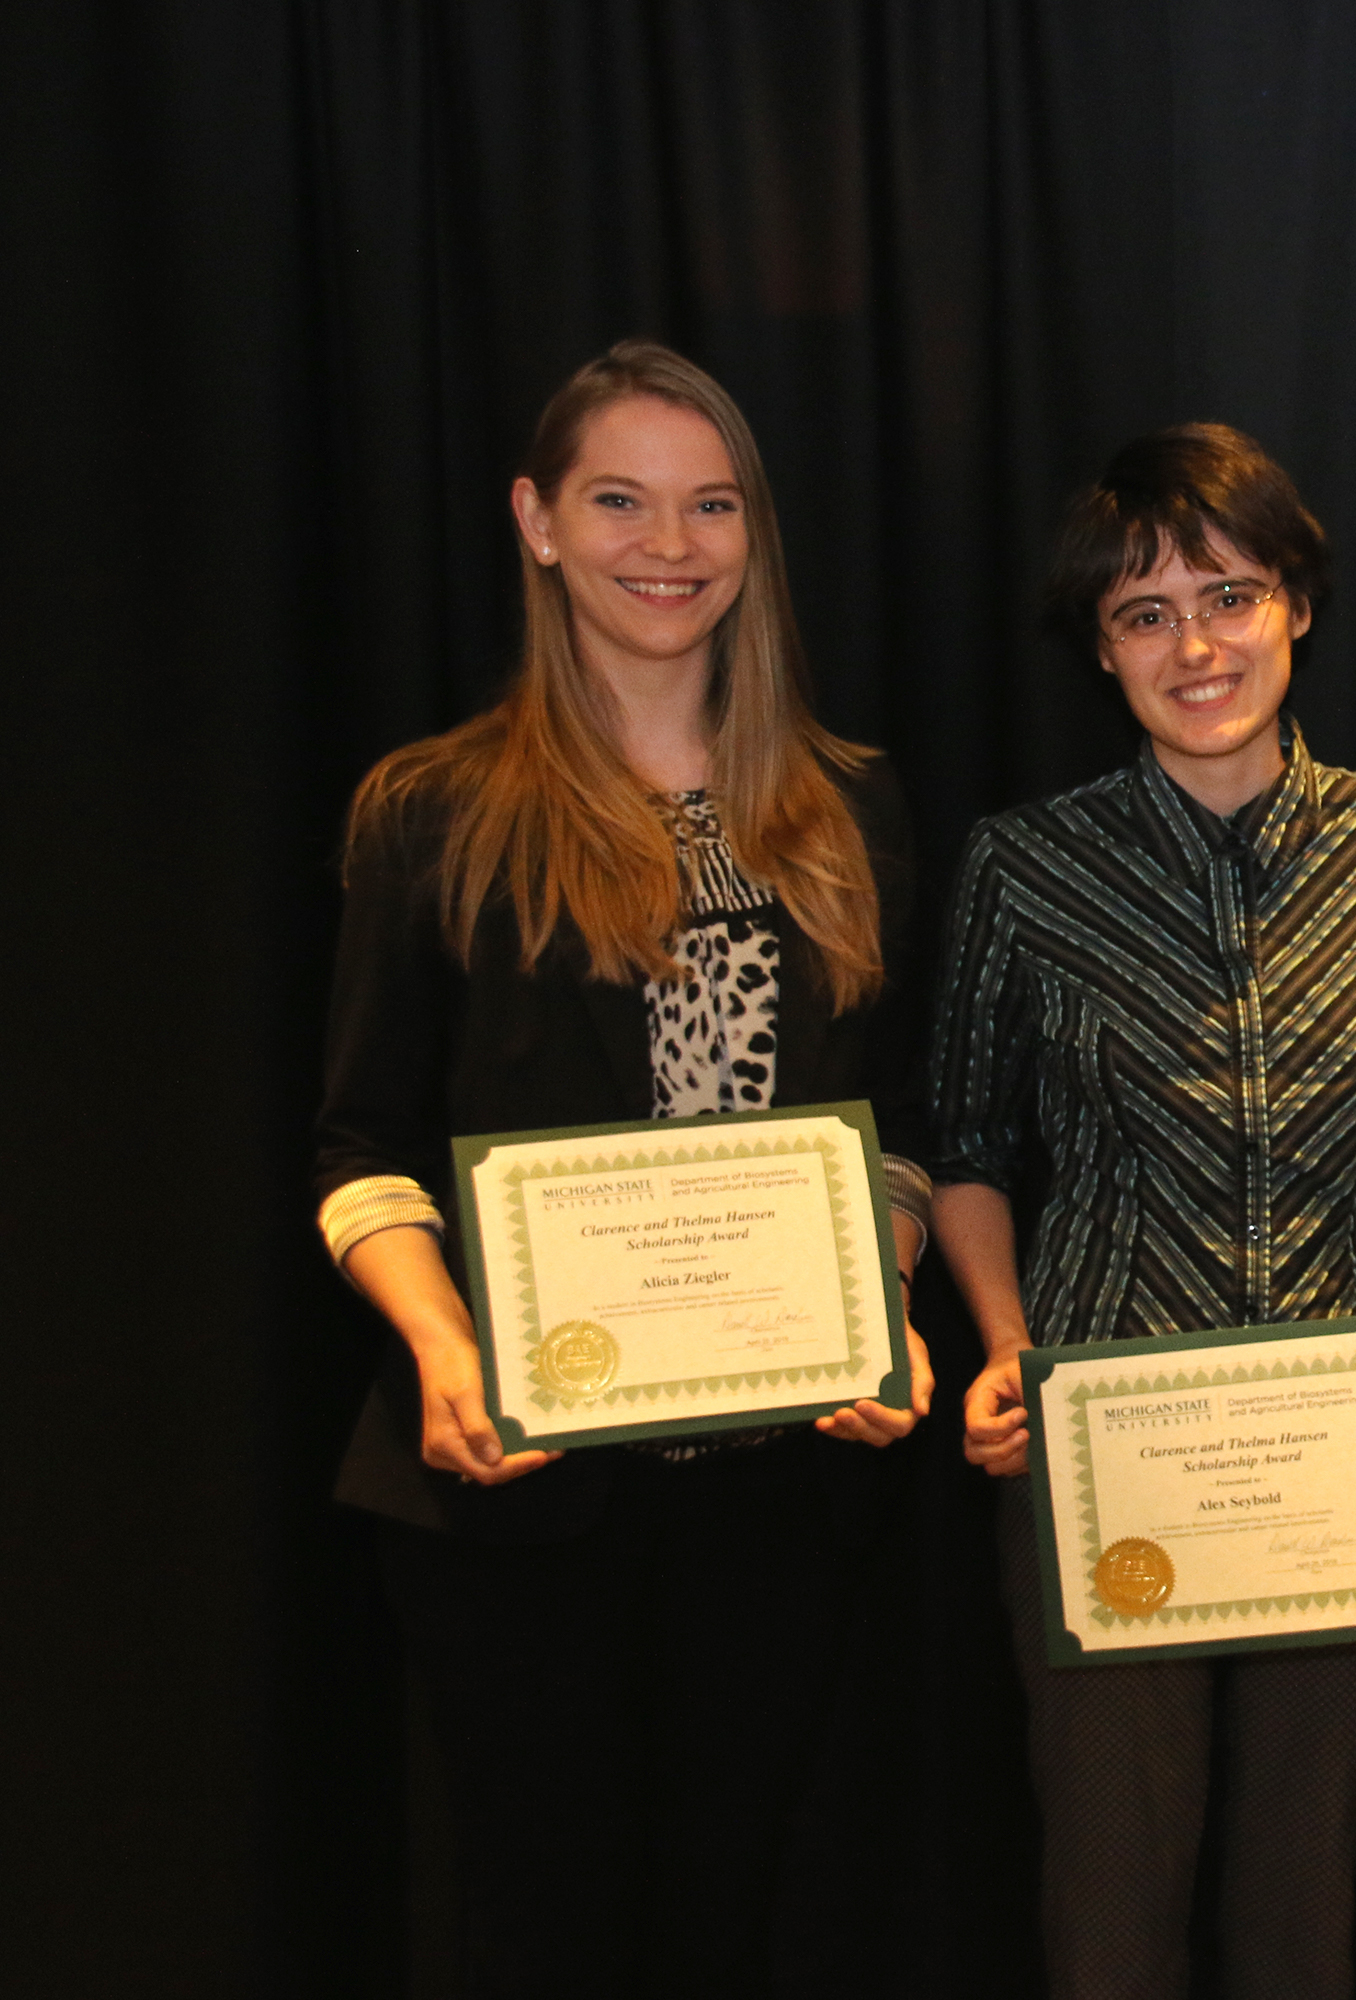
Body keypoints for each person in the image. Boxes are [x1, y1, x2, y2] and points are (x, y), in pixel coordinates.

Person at [312, 340, 936, 1995]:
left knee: (739, 1922)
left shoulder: (848, 812)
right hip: (514, 1492)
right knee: (547, 1931)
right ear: (536, 522)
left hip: (778, 1493)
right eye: (620, 500)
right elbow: (361, 1147)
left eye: (711, 503)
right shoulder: (434, 813)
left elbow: (889, 1135)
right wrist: (448, 1354)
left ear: (754, 535)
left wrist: (884, 1307)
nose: (671, 543)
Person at [929, 423, 1356, 2000]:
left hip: (1349, 1446)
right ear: (1101, 648)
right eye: (1144, 613)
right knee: (1110, 1914)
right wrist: (1000, 1349)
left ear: (1297, 604)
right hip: (1100, 1445)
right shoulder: (1024, 870)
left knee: (1301, 1913)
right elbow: (969, 1145)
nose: (1196, 646)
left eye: (1231, 595)